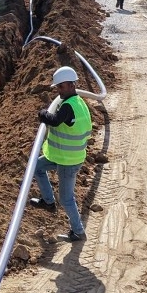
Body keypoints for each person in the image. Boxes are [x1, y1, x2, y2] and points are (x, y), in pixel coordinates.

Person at [30, 65, 91, 241]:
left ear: (72, 85)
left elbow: (55, 121)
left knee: (66, 199)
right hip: (63, 156)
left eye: (61, 87)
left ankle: (78, 231)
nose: (59, 91)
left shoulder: (68, 106)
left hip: (68, 161)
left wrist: (42, 113)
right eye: (58, 87)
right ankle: (48, 201)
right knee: (37, 166)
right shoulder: (79, 103)